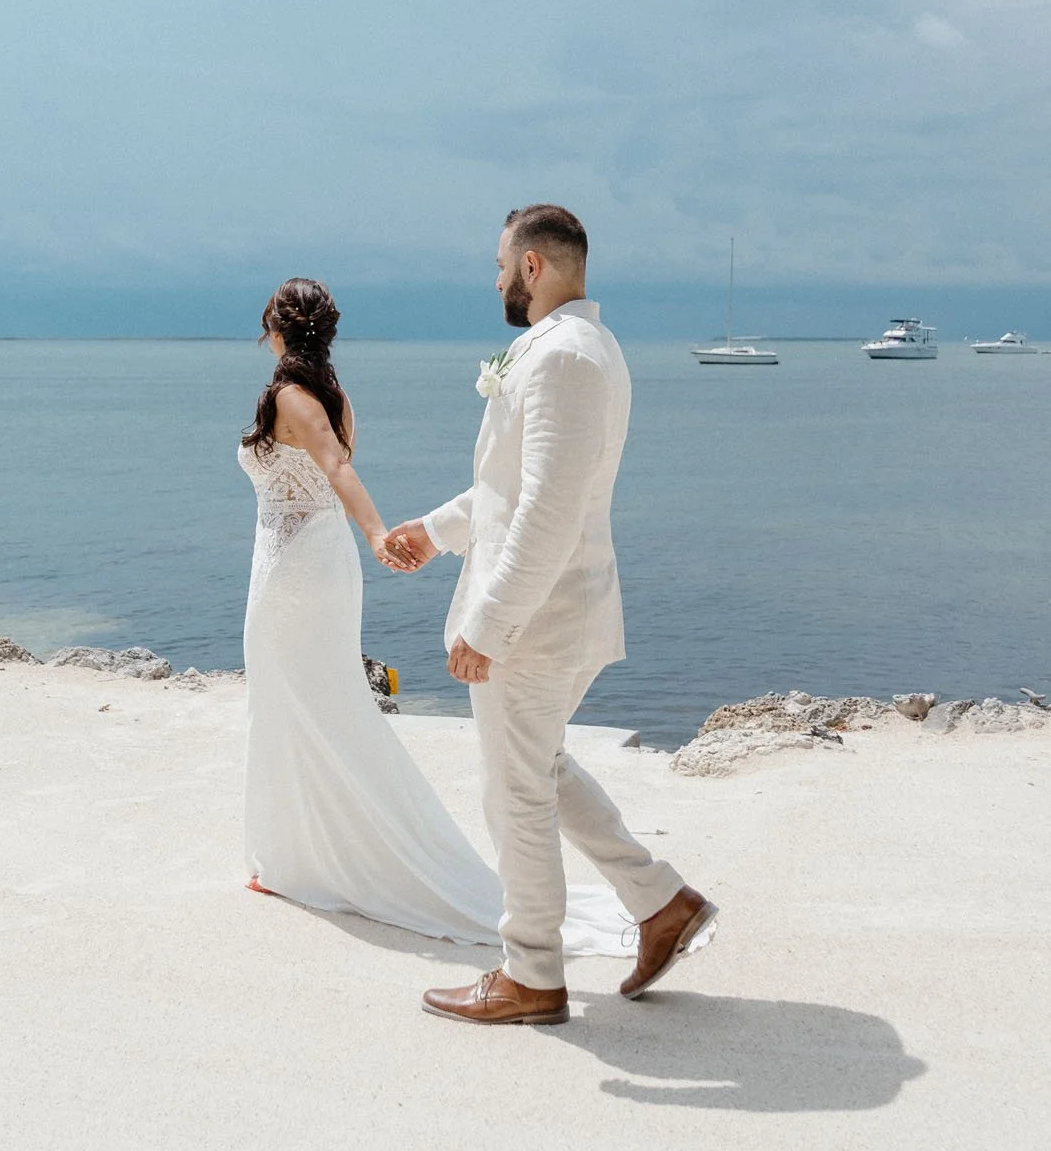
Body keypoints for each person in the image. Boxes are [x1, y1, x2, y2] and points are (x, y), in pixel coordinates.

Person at [383, 205, 716, 1025]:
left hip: (537, 622)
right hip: (554, 609)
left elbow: (549, 511)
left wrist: (487, 626)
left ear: (533, 266)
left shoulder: (565, 356)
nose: (493, 278)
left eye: (500, 263)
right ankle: (660, 902)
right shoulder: (576, 348)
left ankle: (531, 972)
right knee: (541, 769)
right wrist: (434, 530)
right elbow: (507, 494)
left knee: (514, 793)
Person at [237, 277, 634, 956]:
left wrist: (376, 532)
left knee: (289, 702)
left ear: (278, 331)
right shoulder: (336, 397)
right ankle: (300, 855)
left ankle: (296, 860)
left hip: (294, 570)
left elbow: (335, 469)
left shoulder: (289, 398)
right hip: (325, 566)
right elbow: (336, 464)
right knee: (324, 703)